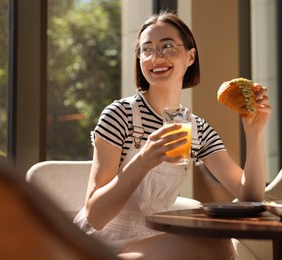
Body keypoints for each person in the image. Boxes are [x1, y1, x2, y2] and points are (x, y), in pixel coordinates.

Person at [74, 11, 271, 260]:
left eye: (167, 47)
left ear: (190, 56)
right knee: (216, 247)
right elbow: (95, 215)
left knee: (218, 244)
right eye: (147, 49)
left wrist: (254, 133)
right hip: (98, 245)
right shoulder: (119, 115)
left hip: (154, 242)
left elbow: (250, 197)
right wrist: (142, 160)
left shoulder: (196, 128)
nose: (156, 57)